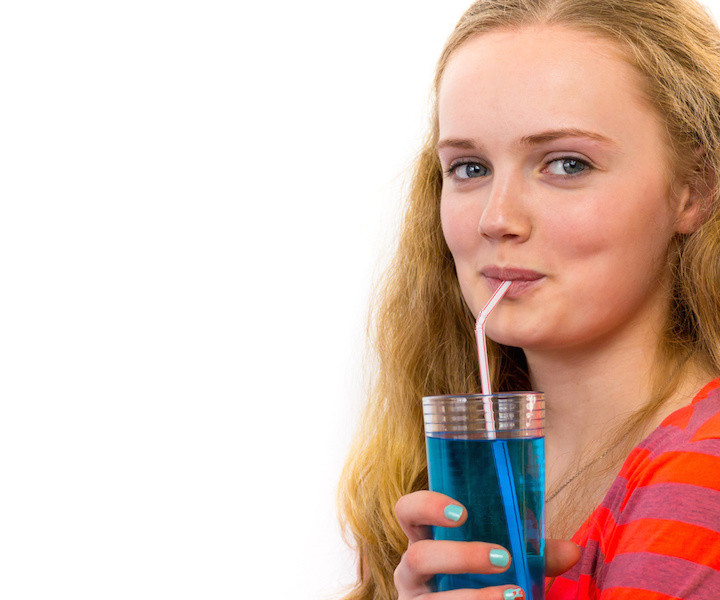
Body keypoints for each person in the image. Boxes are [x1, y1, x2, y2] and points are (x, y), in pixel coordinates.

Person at [338, 0, 720, 598]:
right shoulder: (437, 484)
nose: (496, 218)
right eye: (468, 168)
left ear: (695, 188)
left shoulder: (703, 479)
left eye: (566, 163)